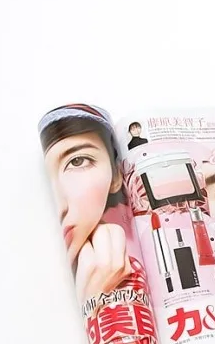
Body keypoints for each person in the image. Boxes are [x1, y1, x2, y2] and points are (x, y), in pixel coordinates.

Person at [39, 104, 147, 306]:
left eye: (77, 161)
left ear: (116, 176)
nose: (61, 207)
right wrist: (93, 298)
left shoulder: (132, 267)